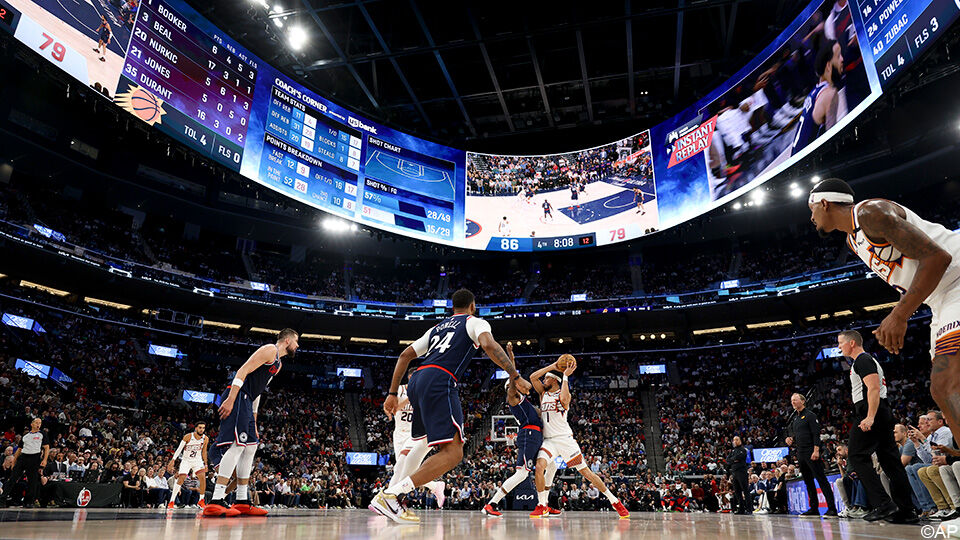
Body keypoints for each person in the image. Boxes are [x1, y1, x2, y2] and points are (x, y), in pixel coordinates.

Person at [808, 179, 960, 444]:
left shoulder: (871, 213)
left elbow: (937, 258)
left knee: (947, 385)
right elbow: (907, 275)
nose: (811, 217)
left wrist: (899, 315)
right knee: (941, 390)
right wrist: (895, 314)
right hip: (939, 299)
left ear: (824, 203)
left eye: (811, 209)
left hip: (956, 278)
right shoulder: (853, 241)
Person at [374, 289, 531, 524]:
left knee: (422, 441)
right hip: (440, 380)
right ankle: (392, 495)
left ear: (452, 307)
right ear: (472, 306)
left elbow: (405, 355)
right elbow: (488, 344)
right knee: (454, 452)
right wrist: (515, 375)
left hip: (416, 381)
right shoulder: (474, 321)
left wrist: (392, 394)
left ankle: (395, 495)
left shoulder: (436, 328)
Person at [203, 328, 299, 517]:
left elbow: (258, 391)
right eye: (297, 341)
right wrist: (231, 398)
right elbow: (243, 370)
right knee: (238, 446)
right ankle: (216, 499)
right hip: (238, 396)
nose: (298, 345)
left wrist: (253, 419)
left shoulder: (278, 364)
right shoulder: (270, 350)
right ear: (287, 340)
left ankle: (242, 500)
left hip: (247, 400)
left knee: (251, 446)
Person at [527, 356, 630, 519]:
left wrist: (566, 376)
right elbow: (533, 377)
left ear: (554, 381)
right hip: (549, 441)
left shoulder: (562, 394)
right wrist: (553, 366)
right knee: (539, 468)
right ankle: (541, 505)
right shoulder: (543, 394)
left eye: (546, 378)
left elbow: (566, 399)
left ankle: (614, 501)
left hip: (565, 440)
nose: (544, 379)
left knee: (587, 473)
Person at [838, 329, 918, 523]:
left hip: (871, 411)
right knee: (891, 463)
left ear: (851, 343)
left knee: (857, 455)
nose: (839, 347)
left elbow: (873, 388)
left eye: (840, 343)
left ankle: (883, 503)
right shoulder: (866, 361)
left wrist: (870, 416)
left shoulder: (862, 360)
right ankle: (907, 510)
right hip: (881, 411)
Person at [483, 343, 544, 517]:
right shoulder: (513, 397)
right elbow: (513, 375)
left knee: (546, 465)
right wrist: (510, 356)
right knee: (522, 473)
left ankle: (543, 504)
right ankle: (491, 503)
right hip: (529, 434)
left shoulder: (524, 400)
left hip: (535, 435)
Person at [382, 367, 445, 508]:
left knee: (400, 468)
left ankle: (387, 500)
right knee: (406, 469)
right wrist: (412, 397)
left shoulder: (425, 392)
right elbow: (394, 408)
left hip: (415, 432)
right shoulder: (400, 389)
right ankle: (435, 486)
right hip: (400, 433)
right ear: (410, 378)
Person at [785, 393, 838, 517]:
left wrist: (816, 450)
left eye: (795, 400)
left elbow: (815, 434)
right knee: (808, 482)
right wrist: (791, 440)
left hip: (811, 451)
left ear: (802, 401)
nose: (792, 402)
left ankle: (832, 509)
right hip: (801, 453)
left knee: (821, 480)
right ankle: (813, 508)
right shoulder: (795, 419)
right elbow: (799, 435)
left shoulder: (810, 415)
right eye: (791, 400)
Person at [790, 40, 842, 156]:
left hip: (795, 158)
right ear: (828, 65)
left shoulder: (813, 92)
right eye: (838, 56)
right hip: (807, 164)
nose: (842, 59)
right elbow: (833, 141)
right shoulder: (830, 93)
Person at [0, 418, 49, 507]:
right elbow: (19, 449)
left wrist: (45, 460)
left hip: (35, 457)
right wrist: (14, 461)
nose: (38, 424)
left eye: (40, 423)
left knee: (32, 481)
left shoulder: (42, 434)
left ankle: (29, 502)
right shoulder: (26, 436)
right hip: (23, 457)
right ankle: (2, 499)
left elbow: (46, 447)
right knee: (12, 478)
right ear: (32, 424)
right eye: (37, 423)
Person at [167, 422, 209, 509]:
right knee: (181, 478)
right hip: (186, 460)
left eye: (203, 428)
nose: (202, 429)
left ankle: (201, 501)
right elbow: (179, 449)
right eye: (200, 427)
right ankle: (172, 501)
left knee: (203, 478)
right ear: (196, 428)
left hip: (197, 460)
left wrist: (205, 463)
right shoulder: (188, 436)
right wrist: (173, 460)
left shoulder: (205, 438)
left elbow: (204, 452)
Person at [725, 436, 750, 515]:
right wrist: (734, 460)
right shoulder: (733, 451)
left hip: (741, 472)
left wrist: (733, 460)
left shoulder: (743, 449)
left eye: (737, 440)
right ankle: (741, 509)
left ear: (740, 441)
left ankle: (749, 509)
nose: (735, 441)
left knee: (745, 490)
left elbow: (739, 457)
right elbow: (727, 460)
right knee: (737, 491)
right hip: (734, 472)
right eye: (734, 440)